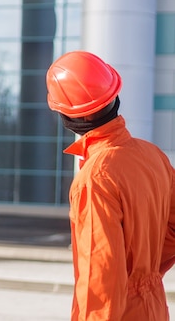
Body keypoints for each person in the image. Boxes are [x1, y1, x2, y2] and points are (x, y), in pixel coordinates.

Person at [46, 50, 175, 320]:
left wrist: (133, 277)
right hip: (154, 308)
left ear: (66, 117)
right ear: (115, 98)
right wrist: (143, 272)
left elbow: (100, 279)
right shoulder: (154, 156)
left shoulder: (95, 178)